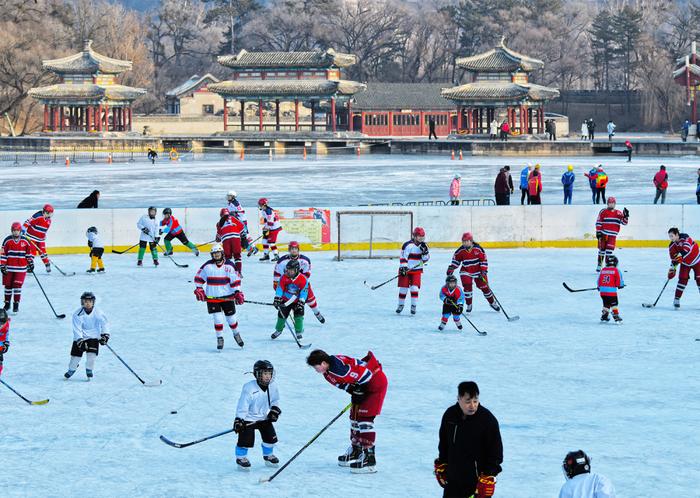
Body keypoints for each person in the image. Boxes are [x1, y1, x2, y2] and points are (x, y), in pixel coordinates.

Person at [306, 349, 388, 474]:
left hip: (375, 384)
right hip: (364, 386)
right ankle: (357, 450)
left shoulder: (338, 369)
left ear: (323, 363)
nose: (315, 370)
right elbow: (343, 385)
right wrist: (354, 390)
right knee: (354, 417)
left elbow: (366, 375)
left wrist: (359, 389)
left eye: (316, 367)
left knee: (364, 419)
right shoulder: (328, 373)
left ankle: (369, 459)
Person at [434, 381, 503, 498]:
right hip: (453, 482)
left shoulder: (487, 421)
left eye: (475, 401)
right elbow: (444, 444)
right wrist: (442, 463)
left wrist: (489, 475)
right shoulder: (449, 416)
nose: (472, 406)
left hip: (476, 484)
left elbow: (495, 453)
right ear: (459, 398)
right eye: (468, 401)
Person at [193, 243, 244, 350]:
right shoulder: (207, 266)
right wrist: (199, 289)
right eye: (214, 254)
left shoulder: (229, 266)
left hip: (227, 297)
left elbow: (236, 280)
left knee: (231, 319)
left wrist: (237, 292)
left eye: (218, 253)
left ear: (222, 253)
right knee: (217, 318)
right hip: (212, 298)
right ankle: (219, 338)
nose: (216, 255)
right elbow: (199, 278)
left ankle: (236, 334)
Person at [233, 360, 281, 470]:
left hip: (264, 418)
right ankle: (241, 457)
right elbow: (243, 405)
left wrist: (274, 411)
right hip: (248, 419)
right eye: (265, 373)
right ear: (257, 374)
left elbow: (275, 400)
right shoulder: (249, 388)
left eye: (269, 373)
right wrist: (239, 420)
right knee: (245, 441)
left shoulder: (272, 386)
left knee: (270, 438)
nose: (268, 376)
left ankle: (268, 455)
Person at [446, 232, 500, 313]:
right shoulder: (460, 251)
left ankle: (492, 302)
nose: (465, 243)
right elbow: (456, 260)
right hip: (466, 271)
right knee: (467, 287)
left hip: (479, 272)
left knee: (485, 288)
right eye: (463, 241)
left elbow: (483, 260)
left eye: (467, 241)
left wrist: (483, 271)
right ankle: (469, 304)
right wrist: (452, 267)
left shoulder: (478, 249)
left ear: (471, 241)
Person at [273, 241, 324, 323]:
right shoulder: (281, 261)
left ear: (298, 249)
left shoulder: (305, 261)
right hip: (287, 285)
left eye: (295, 249)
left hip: (302, 284)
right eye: (292, 249)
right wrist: (278, 293)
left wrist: (299, 288)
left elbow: (306, 276)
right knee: (290, 303)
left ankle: (317, 313)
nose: (294, 250)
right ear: (289, 250)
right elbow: (277, 276)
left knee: (311, 300)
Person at [64, 292, 109, 380]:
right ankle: (72, 368)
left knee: (91, 356)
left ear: (93, 302)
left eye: (90, 301)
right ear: (82, 302)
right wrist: (80, 340)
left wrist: (105, 335)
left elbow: (105, 324)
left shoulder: (98, 312)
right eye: (85, 301)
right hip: (81, 337)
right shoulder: (77, 314)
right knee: (75, 358)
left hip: (93, 337)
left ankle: (89, 370)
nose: (88, 303)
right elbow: (77, 329)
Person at [1, 222, 33, 313]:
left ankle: (16, 304)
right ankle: (7, 304)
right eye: (14, 230)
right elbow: (3, 254)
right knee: (8, 286)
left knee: (17, 286)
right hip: (9, 268)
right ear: (12, 231)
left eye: (17, 230)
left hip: (21, 268)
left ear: (20, 231)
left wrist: (30, 262)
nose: (15, 232)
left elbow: (28, 254)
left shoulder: (25, 241)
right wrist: (2, 265)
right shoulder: (7, 240)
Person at [397, 227, 430, 315]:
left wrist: (425, 252)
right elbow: (403, 257)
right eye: (419, 236)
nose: (421, 238)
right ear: (414, 236)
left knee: (414, 288)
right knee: (403, 288)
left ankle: (413, 305)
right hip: (406, 269)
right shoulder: (407, 245)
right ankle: (401, 304)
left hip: (417, 270)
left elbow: (426, 259)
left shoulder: (424, 246)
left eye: (422, 236)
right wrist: (403, 267)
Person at [272, 259, 308, 340]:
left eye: (291, 270)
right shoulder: (284, 277)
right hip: (286, 300)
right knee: (281, 315)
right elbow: (280, 288)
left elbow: (304, 292)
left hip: (297, 301)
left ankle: (299, 331)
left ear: (296, 270)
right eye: (288, 270)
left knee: (299, 316)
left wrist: (302, 301)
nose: (288, 272)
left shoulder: (303, 279)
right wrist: (277, 297)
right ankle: (279, 330)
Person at [667, 227, 700, 309]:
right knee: (682, 279)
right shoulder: (672, 246)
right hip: (685, 263)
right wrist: (672, 269)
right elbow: (674, 259)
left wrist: (680, 256)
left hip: (697, 261)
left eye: (672, 236)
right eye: (669, 236)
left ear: (677, 235)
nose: (671, 238)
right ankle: (676, 299)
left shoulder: (686, 238)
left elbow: (686, 249)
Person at [595, 197, 629, 271]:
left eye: (613, 203)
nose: (611, 204)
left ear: (615, 204)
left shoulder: (619, 213)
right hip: (603, 234)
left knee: (609, 251)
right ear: (607, 204)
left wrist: (626, 216)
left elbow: (624, 223)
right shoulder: (603, 211)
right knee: (602, 250)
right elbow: (598, 222)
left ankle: (608, 265)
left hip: (612, 235)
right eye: (610, 203)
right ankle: (599, 264)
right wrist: (598, 232)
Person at [22, 204, 53, 273]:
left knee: (43, 252)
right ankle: (29, 265)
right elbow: (28, 222)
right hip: (31, 237)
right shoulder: (38, 216)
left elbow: (43, 230)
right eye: (50, 213)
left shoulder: (49, 220)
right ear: (46, 212)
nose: (51, 215)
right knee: (32, 252)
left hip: (40, 239)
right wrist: (23, 229)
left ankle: (47, 264)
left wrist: (43, 236)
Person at [216, 208, 247, 274]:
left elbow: (218, 238)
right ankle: (238, 272)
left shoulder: (219, 223)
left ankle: (228, 272)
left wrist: (218, 238)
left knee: (227, 256)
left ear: (221, 215)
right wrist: (243, 238)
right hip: (236, 238)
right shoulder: (233, 218)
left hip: (226, 239)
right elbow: (242, 228)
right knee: (237, 256)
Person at [597, 255, 624, 323]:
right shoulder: (616, 270)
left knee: (606, 303)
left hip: (602, 292)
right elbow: (619, 280)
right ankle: (616, 315)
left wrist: (599, 287)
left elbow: (598, 280)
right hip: (611, 292)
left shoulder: (603, 270)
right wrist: (620, 285)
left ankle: (604, 316)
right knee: (614, 304)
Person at [0, 309, 9, 376]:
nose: (1, 325)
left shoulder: (6, 325)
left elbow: (6, 334)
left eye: (2, 323)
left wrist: (6, 342)